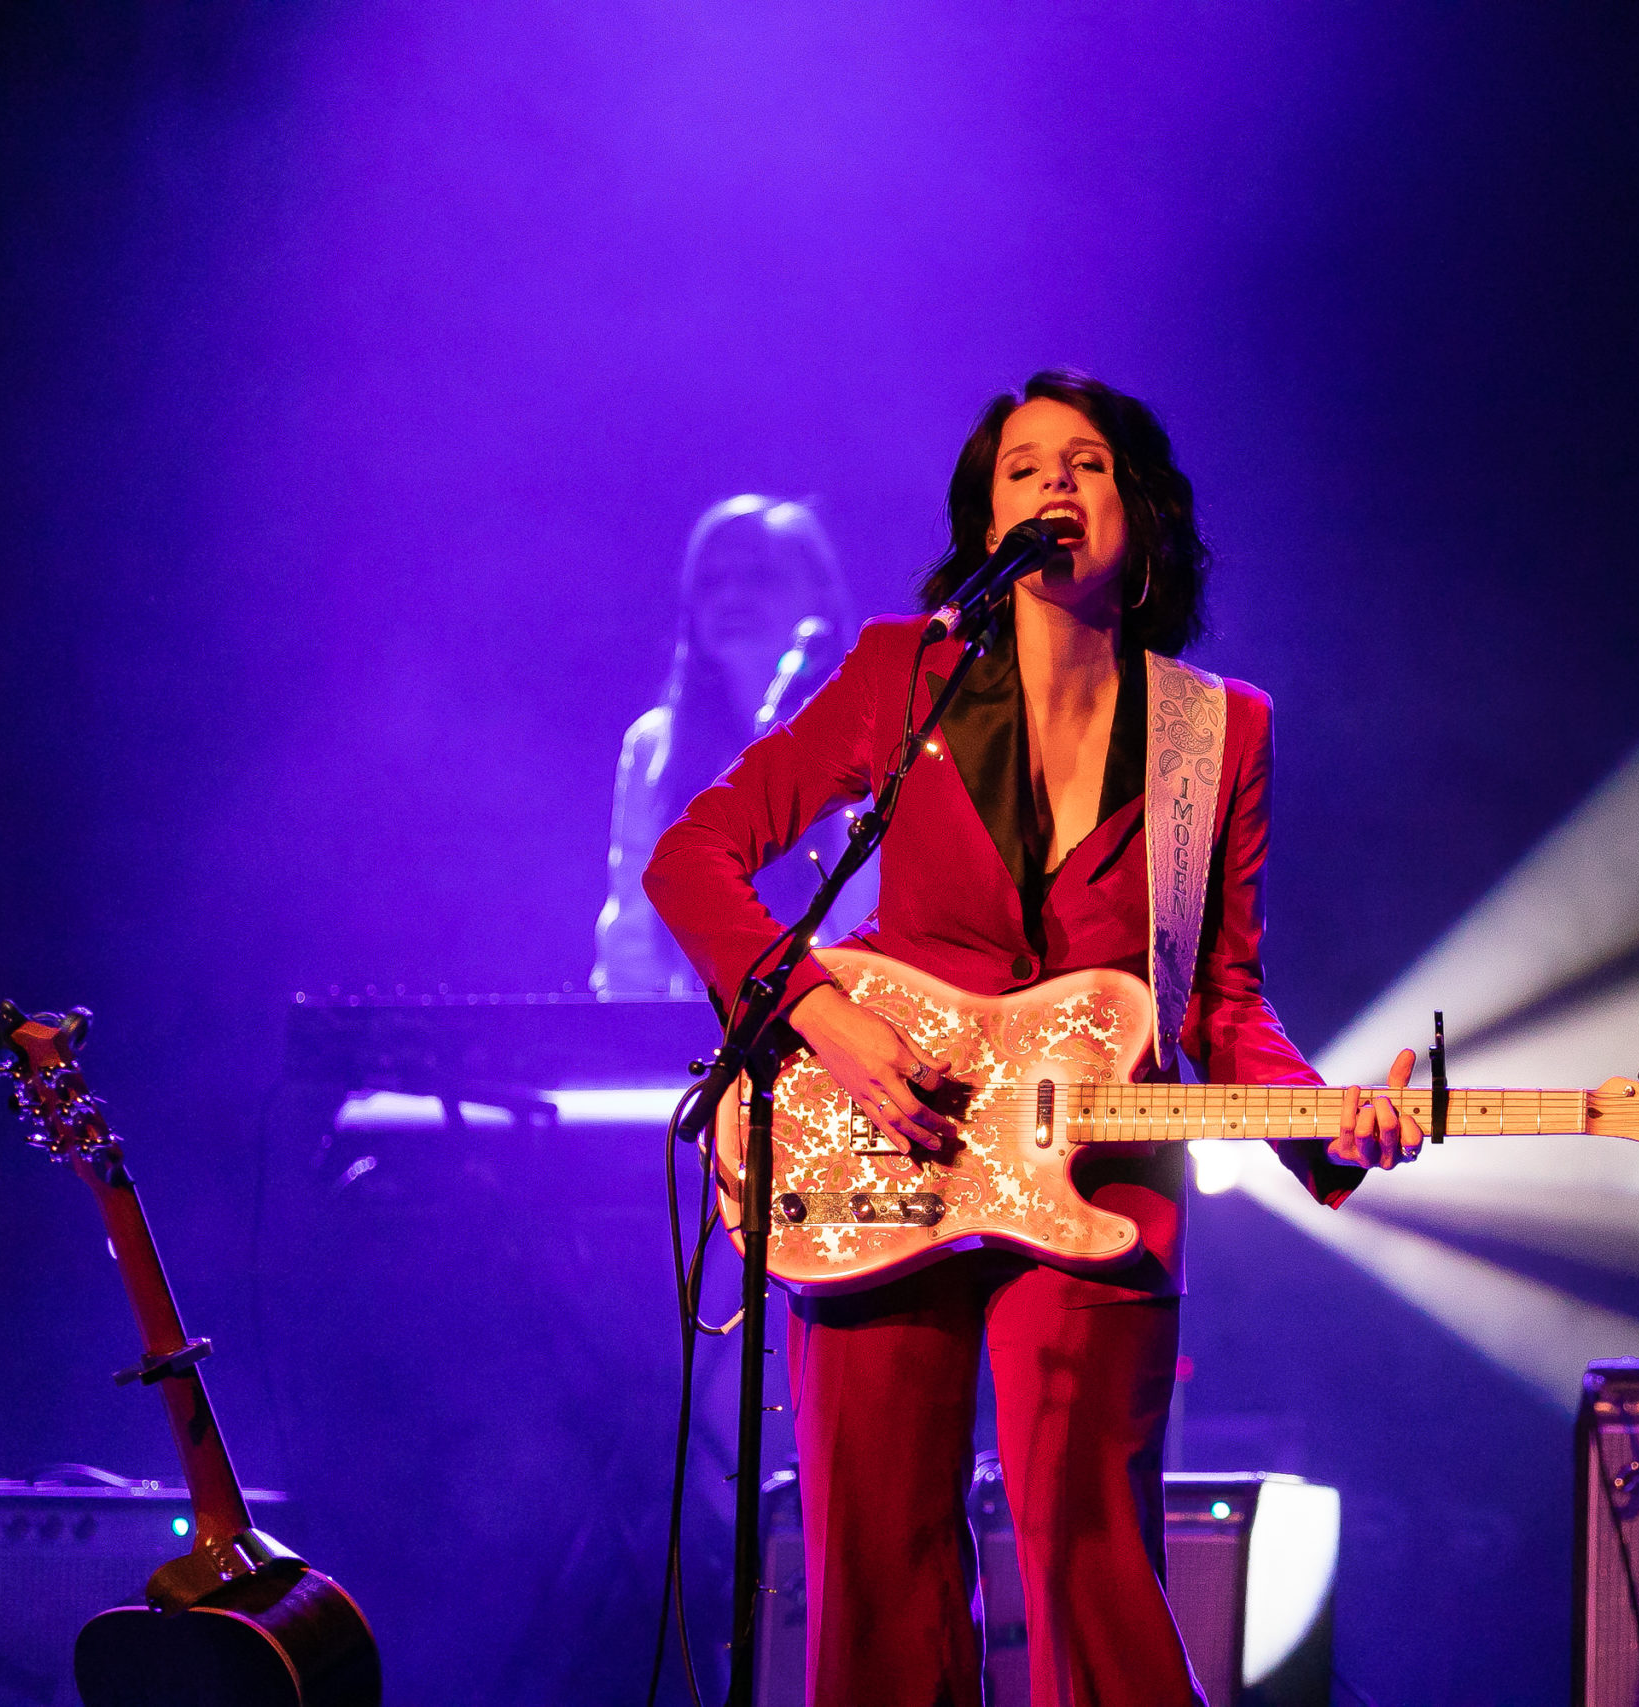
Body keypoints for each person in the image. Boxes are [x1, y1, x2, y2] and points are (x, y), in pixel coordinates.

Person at [643, 373, 1421, 1707]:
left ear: (1142, 512)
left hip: (1103, 1180)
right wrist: (824, 1016)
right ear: (989, 522)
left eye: (1087, 462)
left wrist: (1324, 1124)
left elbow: (1222, 998)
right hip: (885, 1146)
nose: (1055, 482)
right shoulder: (906, 675)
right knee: (876, 1577)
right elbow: (692, 857)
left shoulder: (1216, 729)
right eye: (1023, 468)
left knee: (1088, 1558)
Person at [593, 495, 874, 996]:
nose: (731, 598)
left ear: (821, 595)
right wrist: (628, 1030)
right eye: (710, 583)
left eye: (759, 577)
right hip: (696, 1030)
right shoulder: (653, 745)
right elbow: (633, 934)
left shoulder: (877, 730)